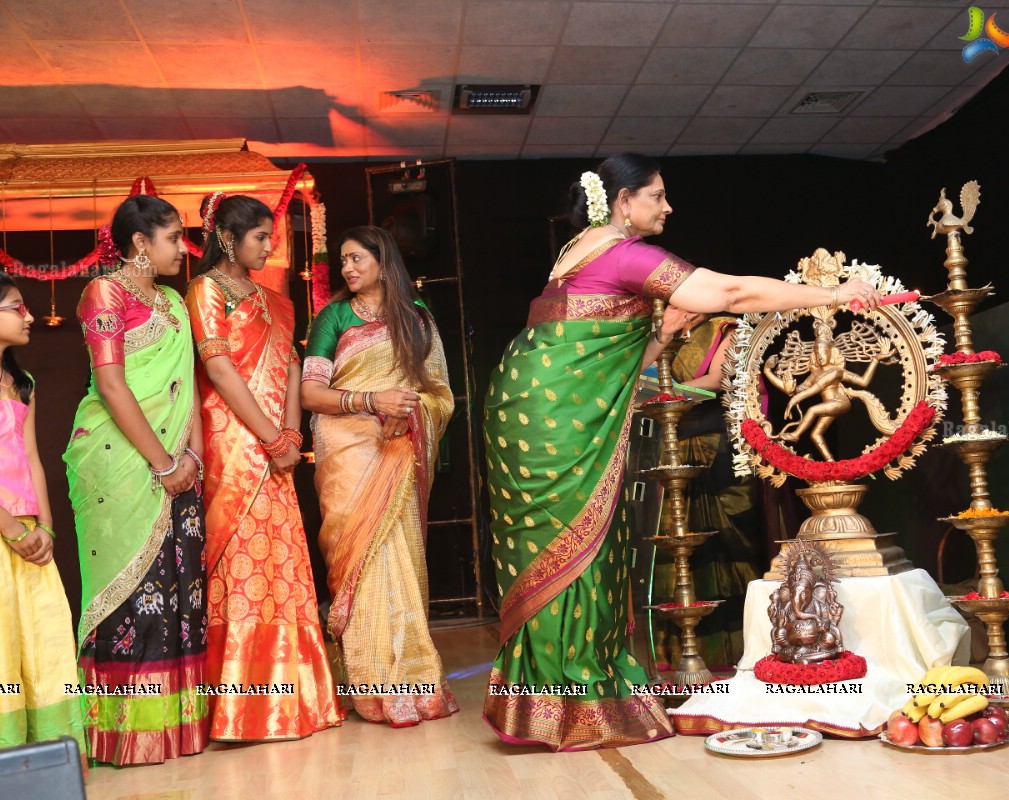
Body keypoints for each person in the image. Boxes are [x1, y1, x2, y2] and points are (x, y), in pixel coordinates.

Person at [482, 153, 880, 751]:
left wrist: (665, 333)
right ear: (622, 201)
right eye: (656, 196)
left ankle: (562, 700)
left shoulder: (576, 253)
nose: (667, 207)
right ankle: (571, 701)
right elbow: (732, 291)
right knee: (576, 547)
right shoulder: (622, 253)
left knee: (589, 541)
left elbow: (615, 363)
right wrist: (830, 293)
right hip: (556, 420)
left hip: (535, 408)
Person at [185, 194, 343, 741]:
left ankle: (294, 702)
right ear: (228, 239)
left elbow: (293, 368)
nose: (270, 244)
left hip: (278, 449)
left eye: (271, 235)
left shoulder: (277, 301)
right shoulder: (205, 291)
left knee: (283, 563)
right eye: (259, 237)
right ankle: (239, 709)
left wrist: (291, 437)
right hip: (233, 444)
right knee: (241, 567)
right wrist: (273, 435)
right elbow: (220, 369)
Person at [63, 195, 209, 765]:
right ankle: (126, 736)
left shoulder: (172, 301)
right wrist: (165, 464)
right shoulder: (104, 293)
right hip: (121, 463)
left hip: (180, 463)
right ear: (141, 242)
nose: (182, 247)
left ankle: (176, 727)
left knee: (180, 589)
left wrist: (192, 457)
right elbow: (112, 386)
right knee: (131, 593)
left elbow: (188, 385)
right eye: (173, 237)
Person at [300, 226, 456, 727]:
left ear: (383, 262)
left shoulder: (417, 319)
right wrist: (371, 401)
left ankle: (413, 680)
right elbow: (310, 393)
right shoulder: (334, 315)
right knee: (360, 560)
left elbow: (439, 393)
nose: (346, 268)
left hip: (397, 448)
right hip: (346, 448)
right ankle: (369, 684)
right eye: (342, 260)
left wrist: (408, 409)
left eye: (356, 259)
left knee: (399, 558)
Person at [0, 274, 87, 767]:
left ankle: (48, 760)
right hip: (6, 533)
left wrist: (45, 528)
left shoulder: (22, 382)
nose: (29, 316)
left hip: (30, 534)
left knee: (43, 639)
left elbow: (33, 457)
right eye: (17, 307)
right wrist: (10, 529)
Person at [650, 315, 765, 672]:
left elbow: (717, 380)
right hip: (672, 446)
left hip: (714, 448)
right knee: (676, 545)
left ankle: (737, 651)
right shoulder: (659, 334)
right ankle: (681, 653)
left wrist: (665, 395)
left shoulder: (722, 329)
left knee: (722, 546)